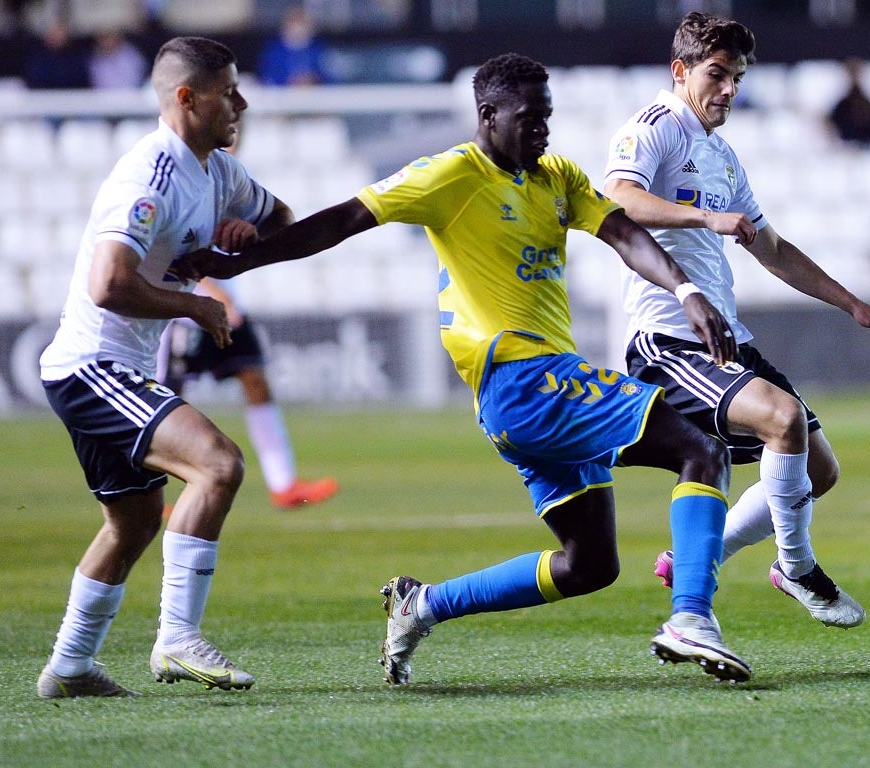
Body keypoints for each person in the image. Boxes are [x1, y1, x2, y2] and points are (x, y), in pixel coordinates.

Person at [179, 52, 752, 686]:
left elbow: (624, 234)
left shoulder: (557, 176)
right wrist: (236, 264)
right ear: (488, 115)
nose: (542, 130)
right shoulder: (450, 175)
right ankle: (691, 616)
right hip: (526, 379)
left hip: (526, 398)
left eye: (547, 117)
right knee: (701, 450)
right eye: (529, 118)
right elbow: (343, 220)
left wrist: (685, 290)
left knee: (589, 565)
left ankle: (422, 604)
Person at [604, 11, 870, 630]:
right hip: (668, 340)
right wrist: (706, 218)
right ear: (680, 70)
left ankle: (703, 555)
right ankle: (796, 566)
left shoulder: (721, 155)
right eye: (717, 74)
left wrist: (850, 303)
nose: (728, 90)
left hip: (725, 338)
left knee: (819, 470)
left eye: (738, 79)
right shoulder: (654, 127)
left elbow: (771, 248)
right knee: (784, 419)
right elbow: (619, 197)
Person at [36, 36, 295, 698]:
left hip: (110, 367)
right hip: (92, 365)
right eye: (228, 92)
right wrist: (194, 304)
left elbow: (284, 220)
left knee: (133, 523)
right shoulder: (147, 178)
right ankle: (177, 637)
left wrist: (242, 242)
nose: (241, 103)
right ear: (187, 98)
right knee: (219, 464)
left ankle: (68, 667)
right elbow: (108, 284)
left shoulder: (221, 172)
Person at [158, 276, 340, 509]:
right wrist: (215, 291)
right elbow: (183, 257)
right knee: (166, 398)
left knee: (256, 383)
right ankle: (150, 494)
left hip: (229, 309)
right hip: (188, 314)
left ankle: (284, 485)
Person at [256, 6, 332, 87]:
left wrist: (313, 80)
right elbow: (266, 76)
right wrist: (289, 80)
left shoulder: (320, 50)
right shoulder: (274, 51)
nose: (298, 27)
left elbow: (330, 75)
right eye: (294, 21)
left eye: (301, 21)